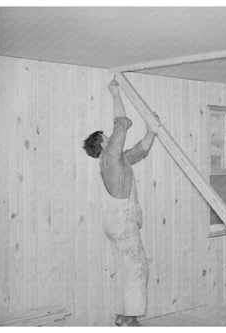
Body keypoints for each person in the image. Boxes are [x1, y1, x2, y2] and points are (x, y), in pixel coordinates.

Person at [82, 79, 156, 326]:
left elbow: (140, 150)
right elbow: (121, 125)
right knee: (137, 267)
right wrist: (115, 92)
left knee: (129, 267)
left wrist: (151, 130)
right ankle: (130, 319)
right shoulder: (109, 157)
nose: (111, 136)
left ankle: (123, 315)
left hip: (117, 221)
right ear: (102, 143)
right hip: (122, 222)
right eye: (107, 136)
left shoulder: (115, 162)